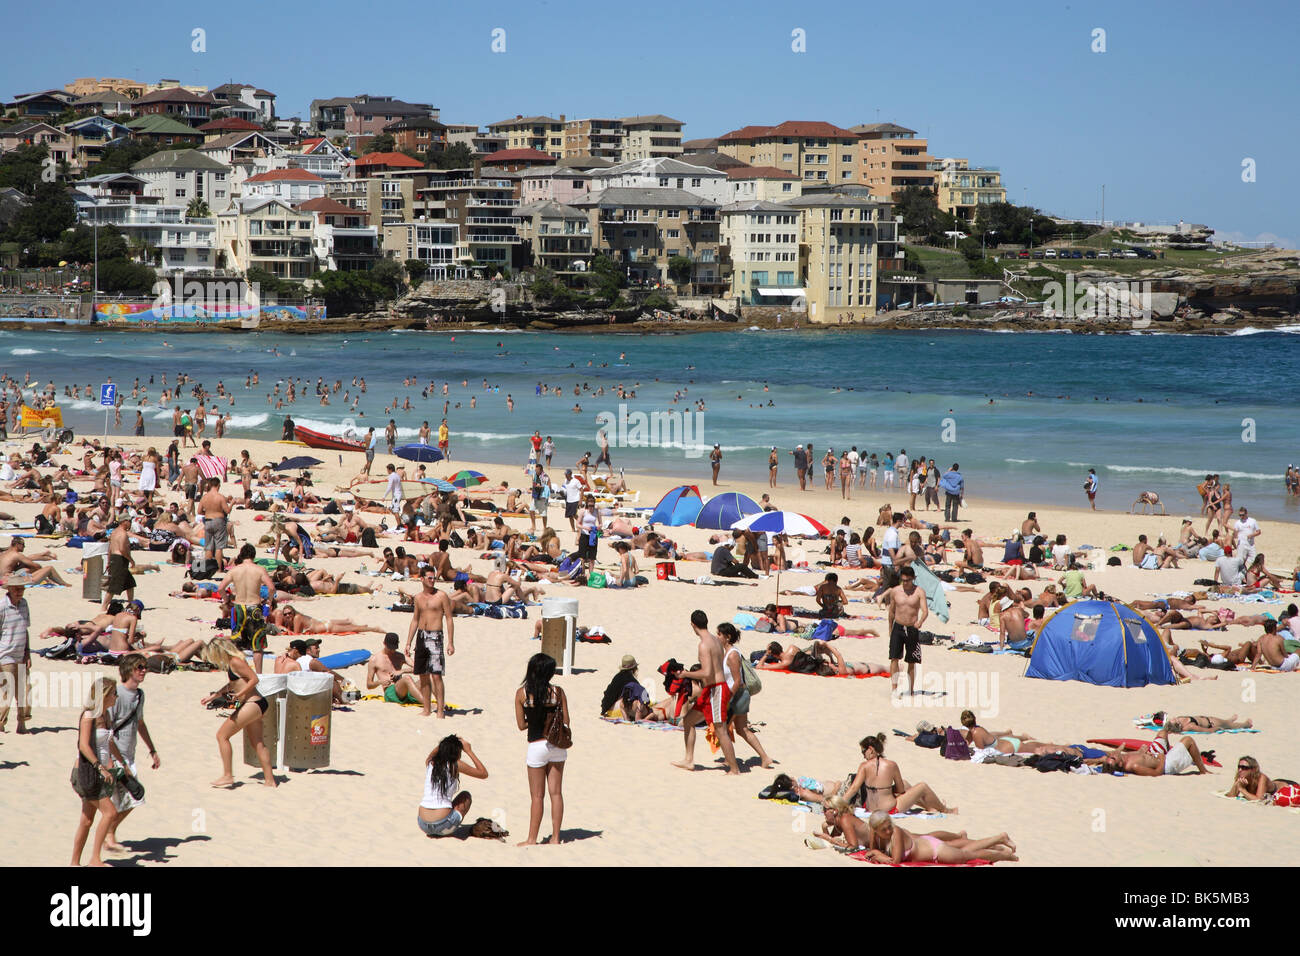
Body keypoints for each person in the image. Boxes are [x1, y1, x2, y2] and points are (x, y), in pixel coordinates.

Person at [796, 733, 955, 813]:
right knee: (922, 787)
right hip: (889, 809)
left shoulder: (864, 766)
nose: (863, 754)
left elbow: (852, 790)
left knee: (907, 785)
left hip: (870, 807)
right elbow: (900, 790)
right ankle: (945, 810)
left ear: (871, 750)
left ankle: (930, 806)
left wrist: (839, 803)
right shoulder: (891, 765)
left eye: (863, 751)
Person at [201, 636, 276, 789]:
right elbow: (232, 684)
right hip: (255, 704)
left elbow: (254, 679)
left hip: (253, 703)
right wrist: (214, 696)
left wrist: (240, 692)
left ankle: (228, 775)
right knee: (258, 744)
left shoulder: (236, 661)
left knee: (222, 736)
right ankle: (270, 781)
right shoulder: (232, 663)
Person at [102, 653, 160, 851]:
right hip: (114, 756)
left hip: (129, 755)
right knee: (134, 796)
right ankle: (108, 835)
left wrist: (152, 750)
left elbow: (140, 723)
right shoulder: (115, 695)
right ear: (128, 670)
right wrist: (113, 761)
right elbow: (106, 730)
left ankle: (109, 835)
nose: (144, 671)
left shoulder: (140, 695)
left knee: (126, 800)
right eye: (139, 667)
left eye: (145, 667)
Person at [673, 610, 740, 774]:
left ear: (692, 625)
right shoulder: (716, 640)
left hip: (716, 690)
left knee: (720, 729)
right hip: (710, 690)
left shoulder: (704, 644)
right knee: (688, 721)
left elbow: (706, 673)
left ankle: (734, 769)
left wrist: (685, 674)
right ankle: (689, 760)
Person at [515, 652, 570, 845]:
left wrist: (535, 722)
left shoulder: (522, 694)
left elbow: (521, 725)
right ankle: (555, 838)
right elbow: (566, 721)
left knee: (537, 796)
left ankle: (532, 839)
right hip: (557, 745)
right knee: (556, 793)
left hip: (537, 744)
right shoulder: (558, 692)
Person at [70, 676, 124, 866]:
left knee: (86, 821)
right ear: (105, 695)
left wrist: (121, 764)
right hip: (86, 774)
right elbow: (84, 746)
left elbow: (108, 742)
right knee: (110, 813)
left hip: (97, 774)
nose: (116, 697)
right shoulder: (89, 715)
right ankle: (95, 859)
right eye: (114, 694)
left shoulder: (106, 715)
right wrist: (100, 768)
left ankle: (74, 863)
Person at [861, 811, 1017, 864]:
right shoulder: (875, 831)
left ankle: (1005, 855)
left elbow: (894, 861)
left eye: (889, 826)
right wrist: (874, 850)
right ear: (875, 829)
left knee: (969, 856)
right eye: (884, 829)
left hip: (935, 850)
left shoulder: (896, 833)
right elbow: (873, 848)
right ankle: (999, 840)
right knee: (965, 850)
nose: (888, 831)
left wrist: (877, 854)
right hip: (928, 845)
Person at [718, 622, 773, 768]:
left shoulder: (733, 655)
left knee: (722, 729)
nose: (717, 637)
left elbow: (737, 681)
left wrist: (727, 699)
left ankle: (730, 760)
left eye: (719, 634)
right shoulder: (729, 652)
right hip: (740, 696)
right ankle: (765, 757)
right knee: (742, 729)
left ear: (727, 637)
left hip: (737, 696)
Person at [218, 544, 275, 672]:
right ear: (253, 556)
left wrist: (227, 600)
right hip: (254, 607)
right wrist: (268, 602)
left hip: (239, 608)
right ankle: (259, 674)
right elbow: (271, 588)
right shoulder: (259, 570)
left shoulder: (234, 570)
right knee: (257, 645)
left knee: (237, 644)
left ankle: (238, 672)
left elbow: (221, 588)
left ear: (242, 555)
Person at [418, 735, 487, 838]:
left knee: (445, 802)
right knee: (465, 796)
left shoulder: (430, 762)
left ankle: (440, 830)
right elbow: (483, 774)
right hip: (442, 825)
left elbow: (431, 754)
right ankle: (447, 831)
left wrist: (444, 744)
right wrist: (469, 751)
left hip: (423, 824)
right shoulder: (454, 764)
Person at [407, 568, 455, 718]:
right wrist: (408, 642)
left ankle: (440, 711)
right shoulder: (418, 598)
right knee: (423, 675)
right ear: (421, 579)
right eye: (429, 578)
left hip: (436, 637)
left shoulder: (441, 596)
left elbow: (449, 618)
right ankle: (427, 709)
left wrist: (450, 642)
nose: (432, 580)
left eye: (433, 578)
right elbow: (415, 620)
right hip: (421, 636)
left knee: (436, 675)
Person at [886, 565, 927, 694]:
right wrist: (890, 628)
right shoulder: (895, 591)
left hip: (912, 628)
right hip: (898, 627)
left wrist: (920, 621)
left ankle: (911, 689)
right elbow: (891, 611)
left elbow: (925, 611)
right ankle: (894, 688)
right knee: (894, 658)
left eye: (908, 580)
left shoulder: (919, 592)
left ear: (913, 578)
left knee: (911, 661)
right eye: (903, 580)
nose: (905, 583)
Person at [0, 572, 31, 733]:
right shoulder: (2, 606)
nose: (20, 592)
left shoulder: (24, 604)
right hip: (5, 655)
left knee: (25, 691)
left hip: (21, 655)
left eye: (22, 589)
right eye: (17, 589)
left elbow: (25, 630)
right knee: (8, 691)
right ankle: (1, 722)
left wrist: (28, 653)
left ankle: (22, 723)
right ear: (10, 589)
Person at [1224, 755, 1300, 806]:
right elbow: (1231, 795)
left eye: (1244, 767)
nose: (1240, 770)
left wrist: (1242, 789)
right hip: (1273, 784)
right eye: (1239, 767)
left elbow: (1259, 800)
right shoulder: (1241, 776)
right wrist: (1237, 785)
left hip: (1286, 787)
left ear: (1253, 769)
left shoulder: (1261, 777)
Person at [101, 517, 138, 613]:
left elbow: (110, 548)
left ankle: (131, 604)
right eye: (129, 521)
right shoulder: (123, 534)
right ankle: (104, 607)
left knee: (130, 583)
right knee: (114, 585)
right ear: (124, 522)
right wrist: (131, 560)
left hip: (114, 558)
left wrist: (109, 561)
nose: (130, 523)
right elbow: (122, 550)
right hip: (120, 560)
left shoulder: (114, 532)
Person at [199, 477, 233, 570]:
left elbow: (199, 511)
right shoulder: (220, 497)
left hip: (208, 521)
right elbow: (227, 510)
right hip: (218, 521)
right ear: (218, 485)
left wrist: (207, 513)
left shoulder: (204, 497)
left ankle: (207, 569)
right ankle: (218, 569)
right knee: (219, 547)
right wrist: (232, 503)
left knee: (208, 547)